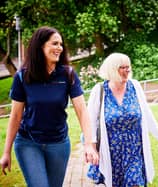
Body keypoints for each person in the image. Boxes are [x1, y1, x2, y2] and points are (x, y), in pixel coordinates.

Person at [0, 26, 97, 187]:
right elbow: (16, 116)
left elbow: (82, 111)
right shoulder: (22, 77)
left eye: (60, 44)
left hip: (59, 143)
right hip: (28, 143)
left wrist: (89, 145)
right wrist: (6, 152)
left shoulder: (68, 74)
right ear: (40, 46)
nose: (59, 48)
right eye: (54, 43)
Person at [86, 52, 158, 187]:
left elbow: (146, 114)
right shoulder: (100, 90)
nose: (127, 70)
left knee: (135, 182)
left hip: (134, 150)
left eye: (128, 67)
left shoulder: (135, 86)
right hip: (111, 151)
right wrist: (91, 147)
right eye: (122, 67)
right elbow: (90, 122)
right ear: (112, 69)